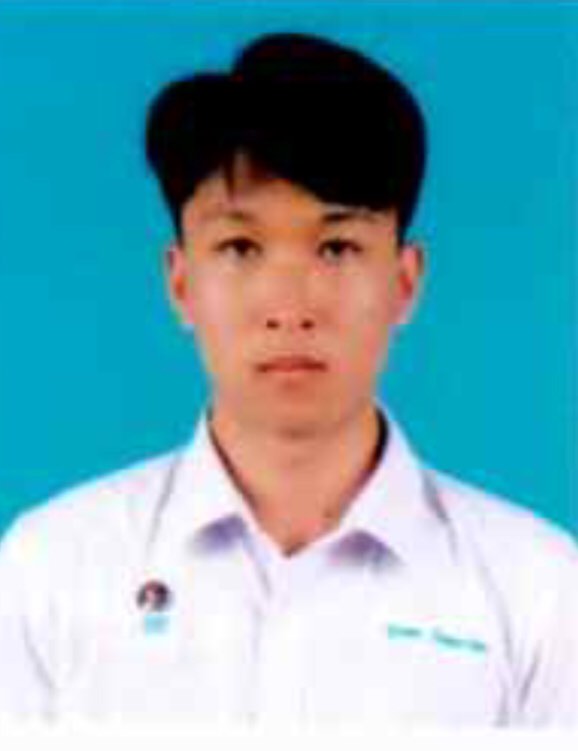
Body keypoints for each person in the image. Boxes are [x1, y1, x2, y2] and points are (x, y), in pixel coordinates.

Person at [0, 32, 576, 725]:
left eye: (337, 246)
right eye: (240, 246)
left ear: (404, 282)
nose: (290, 306)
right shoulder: (50, 570)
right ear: (181, 283)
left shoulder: (538, 590)